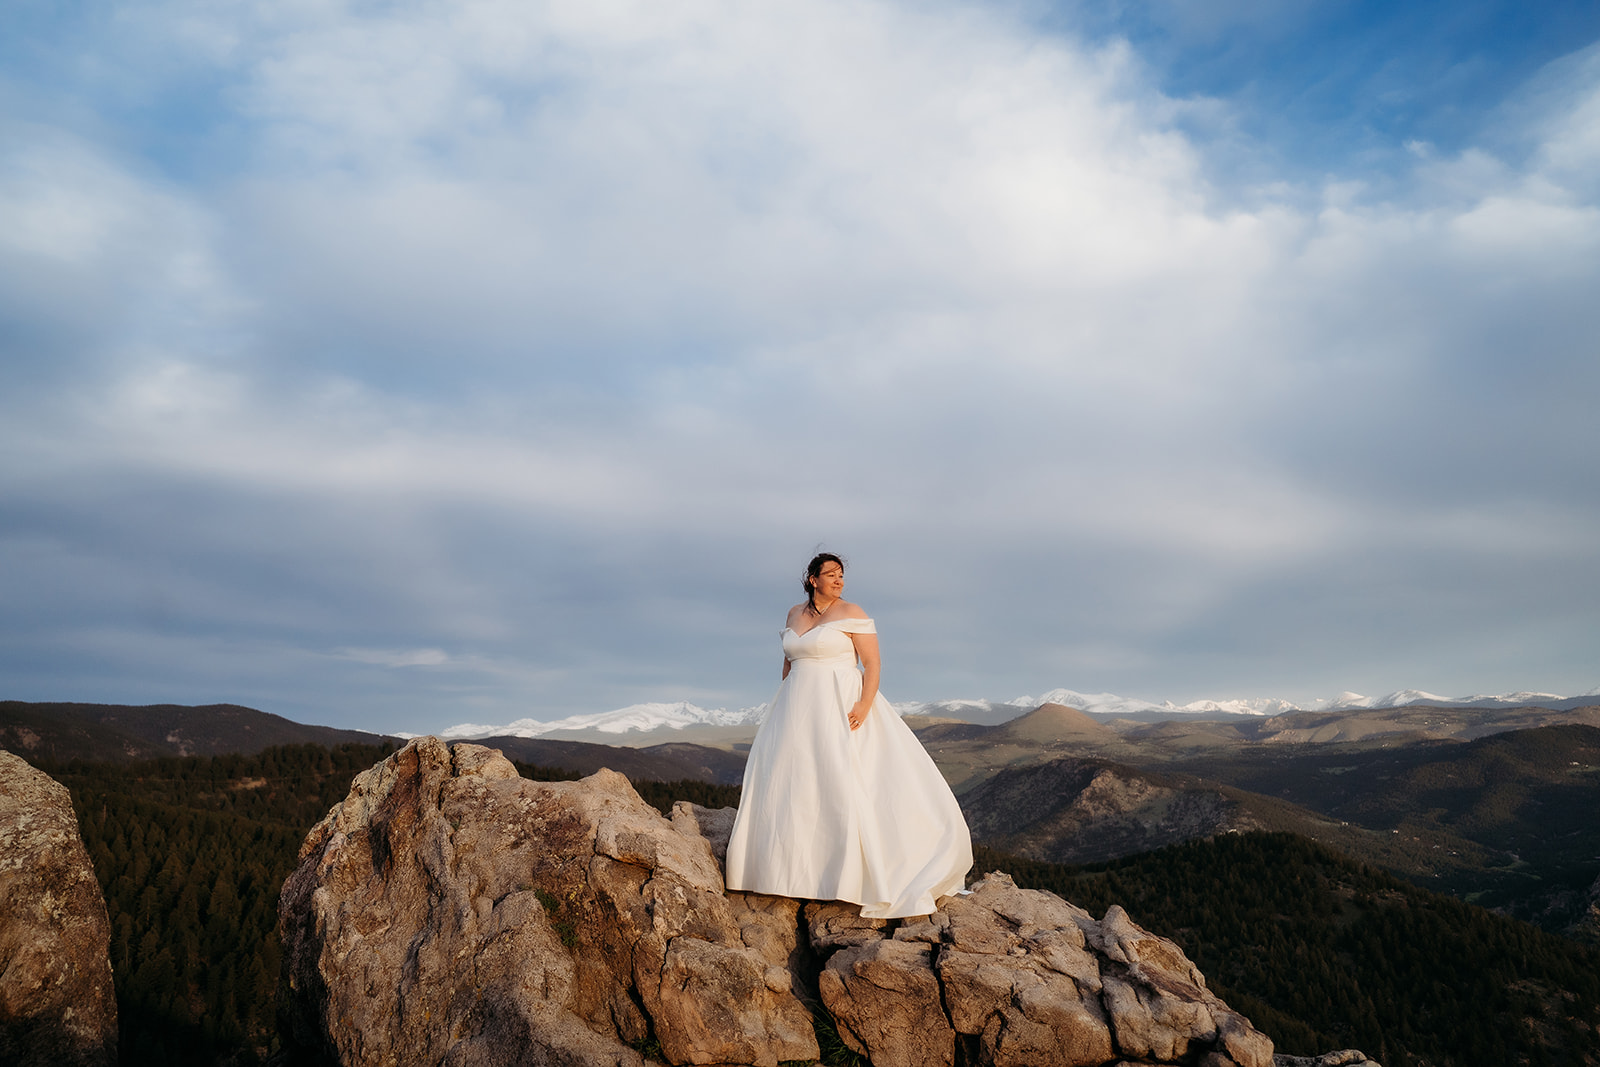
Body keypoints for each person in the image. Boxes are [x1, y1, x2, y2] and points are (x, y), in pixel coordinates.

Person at [723, 553, 973, 918]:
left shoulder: (852, 612)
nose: (839, 581)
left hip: (841, 705)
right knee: (792, 783)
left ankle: (846, 878)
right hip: (795, 709)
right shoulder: (794, 614)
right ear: (812, 579)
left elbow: (872, 663)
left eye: (842, 575)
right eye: (831, 575)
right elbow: (789, 663)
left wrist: (863, 704)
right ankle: (784, 874)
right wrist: (786, 705)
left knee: (843, 781)